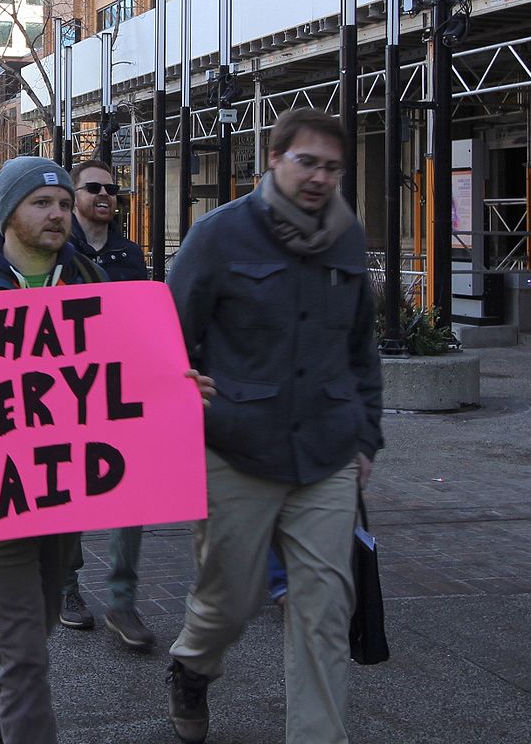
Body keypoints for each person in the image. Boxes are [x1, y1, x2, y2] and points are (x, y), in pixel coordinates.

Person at [0, 156, 212, 744]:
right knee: (28, 649)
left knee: (37, 625)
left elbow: (126, 370)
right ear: (8, 214)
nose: (57, 213)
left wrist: (178, 389)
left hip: (64, 494)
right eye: (40, 203)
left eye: (60, 202)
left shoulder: (88, 280)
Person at [164, 108, 383, 744]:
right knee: (228, 603)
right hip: (235, 450)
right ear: (273, 160)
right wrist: (185, 396)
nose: (319, 177)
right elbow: (170, 342)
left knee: (323, 613)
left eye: (331, 167)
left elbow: (362, 348)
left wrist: (366, 435)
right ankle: (193, 666)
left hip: (327, 455)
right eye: (306, 161)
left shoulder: (347, 237)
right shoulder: (219, 236)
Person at [58, 157, 155, 651]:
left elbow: (142, 319)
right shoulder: (57, 247)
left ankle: (123, 599)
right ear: (74, 195)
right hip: (65, 391)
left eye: (112, 190)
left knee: (128, 493)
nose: (105, 196)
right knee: (68, 489)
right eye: (93, 187)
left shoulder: (130, 254)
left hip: (119, 388)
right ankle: (68, 588)